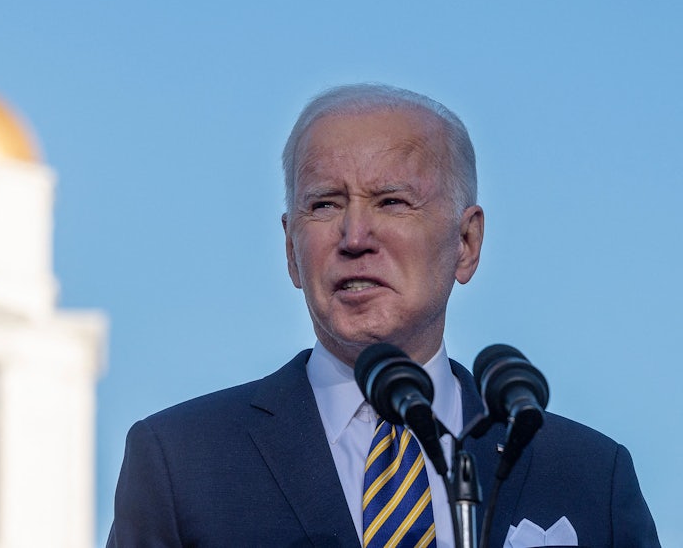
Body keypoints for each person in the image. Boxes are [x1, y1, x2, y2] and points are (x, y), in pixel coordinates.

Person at [107, 84, 660, 547]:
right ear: (290, 251)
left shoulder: (588, 476)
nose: (353, 237)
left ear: (466, 243)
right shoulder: (182, 461)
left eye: (392, 201)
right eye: (324, 204)